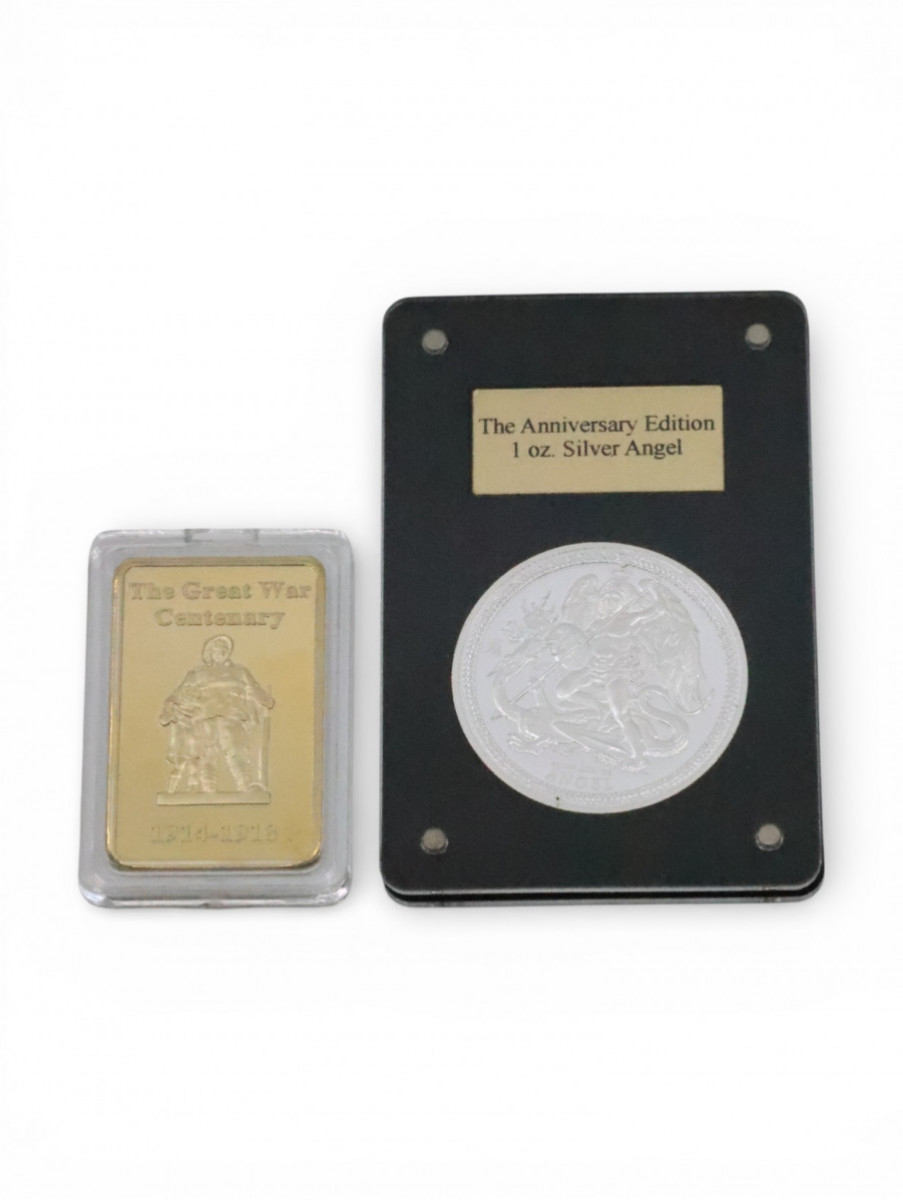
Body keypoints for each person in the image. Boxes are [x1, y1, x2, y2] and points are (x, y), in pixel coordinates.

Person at [159, 635, 275, 794]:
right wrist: (170, 707)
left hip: (233, 718)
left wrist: (266, 700)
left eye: (224, 650)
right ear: (210, 652)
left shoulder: (240, 672)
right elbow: (178, 694)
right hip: (205, 719)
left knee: (237, 753)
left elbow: (254, 689)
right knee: (207, 756)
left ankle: (245, 785)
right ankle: (208, 789)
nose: (222, 653)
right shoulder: (197, 674)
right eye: (218, 650)